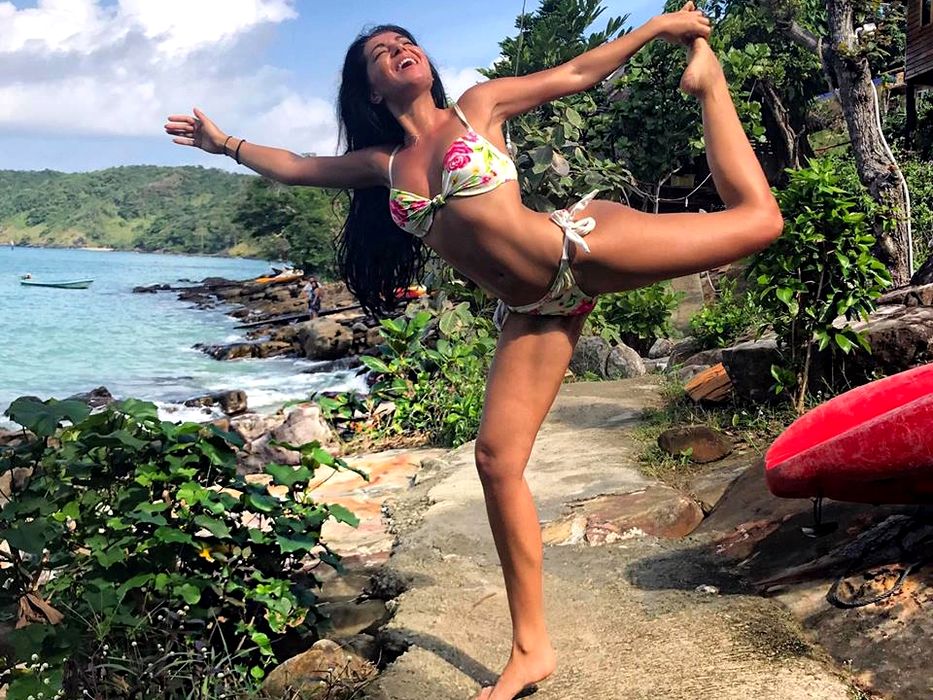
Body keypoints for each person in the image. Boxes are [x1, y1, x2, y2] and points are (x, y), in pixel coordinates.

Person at [165, 5, 782, 697]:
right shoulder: (383, 164)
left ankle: (709, 84)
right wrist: (225, 144)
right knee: (495, 461)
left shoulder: (478, 107)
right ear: (371, 91)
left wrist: (655, 30)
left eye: (405, 42)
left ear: (425, 63)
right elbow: (297, 166)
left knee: (760, 221)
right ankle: (530, 649)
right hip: (534, 310)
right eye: (380, 53)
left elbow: (577, 72)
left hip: (582, 247)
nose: (399, 50)